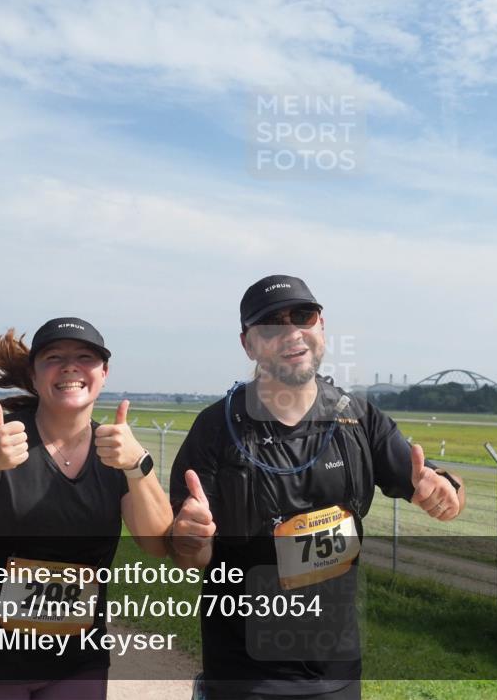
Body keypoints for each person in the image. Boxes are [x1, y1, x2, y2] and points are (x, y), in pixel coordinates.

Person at [168, 274, 466, 700]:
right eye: (271, 324)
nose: (292, 332)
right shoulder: (217, 429)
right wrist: (190, 538)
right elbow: (190, 558)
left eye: (303, 316)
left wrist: (447, 492)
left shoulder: (358, 419)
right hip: (245, 675)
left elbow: (442, 486)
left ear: (321, 325)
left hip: (338, 673)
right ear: (248, 344)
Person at [0, 316, 172, 700]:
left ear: (104, 373)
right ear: (33, 376)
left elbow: (157, 543)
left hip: (76, 661)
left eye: (85, 357)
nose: (70, 366)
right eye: (53, 357)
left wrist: (137, 466)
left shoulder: (117, 452)